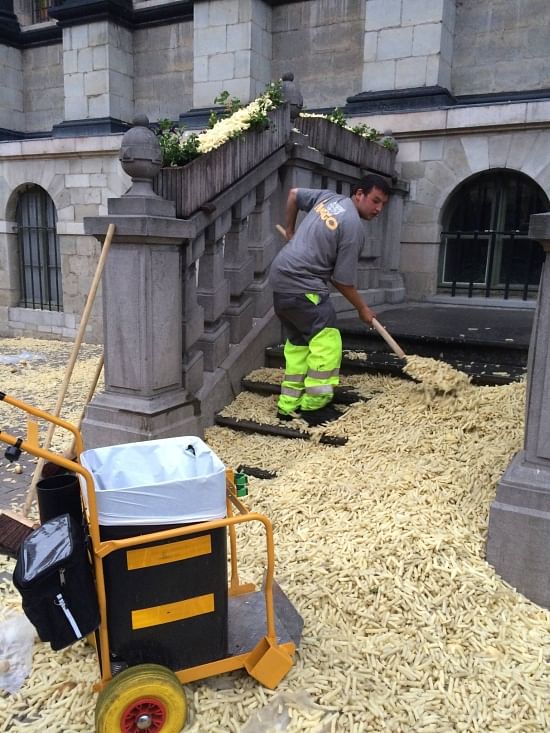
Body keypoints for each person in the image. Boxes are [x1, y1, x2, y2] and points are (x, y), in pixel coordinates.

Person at [269, 174, 391, 426]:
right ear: (359, 194)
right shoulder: (354, 228)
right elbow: (344, 281)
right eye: (375, 201)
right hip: (303, 285)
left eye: (382, 205)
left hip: (280, 280)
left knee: (299, 345)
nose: (378, 209)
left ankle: (287, 406)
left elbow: (293, 195)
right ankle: (314, 408)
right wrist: (363, 309)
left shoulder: (328, 198)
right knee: (327, 342)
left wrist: (290, 229)